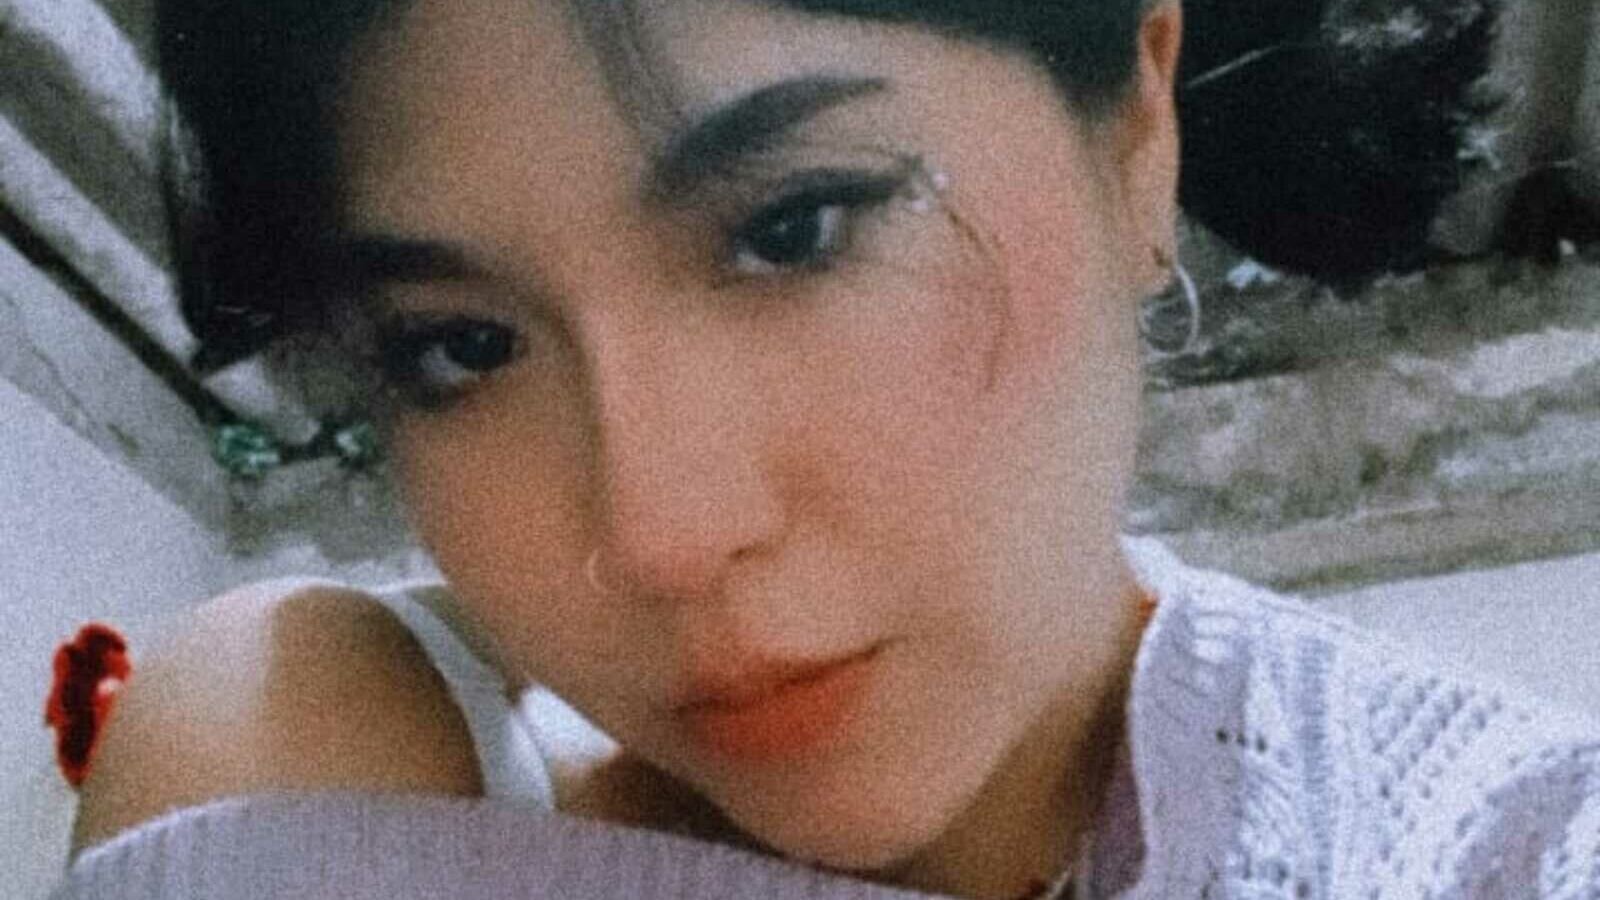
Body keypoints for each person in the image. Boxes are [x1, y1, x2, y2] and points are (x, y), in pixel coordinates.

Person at [56, 1, 1600, 898]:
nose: (660, 534)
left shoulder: (1490, 844)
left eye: (794, 229)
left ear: (1136, 131)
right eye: (461, 345)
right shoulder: (328, 788)